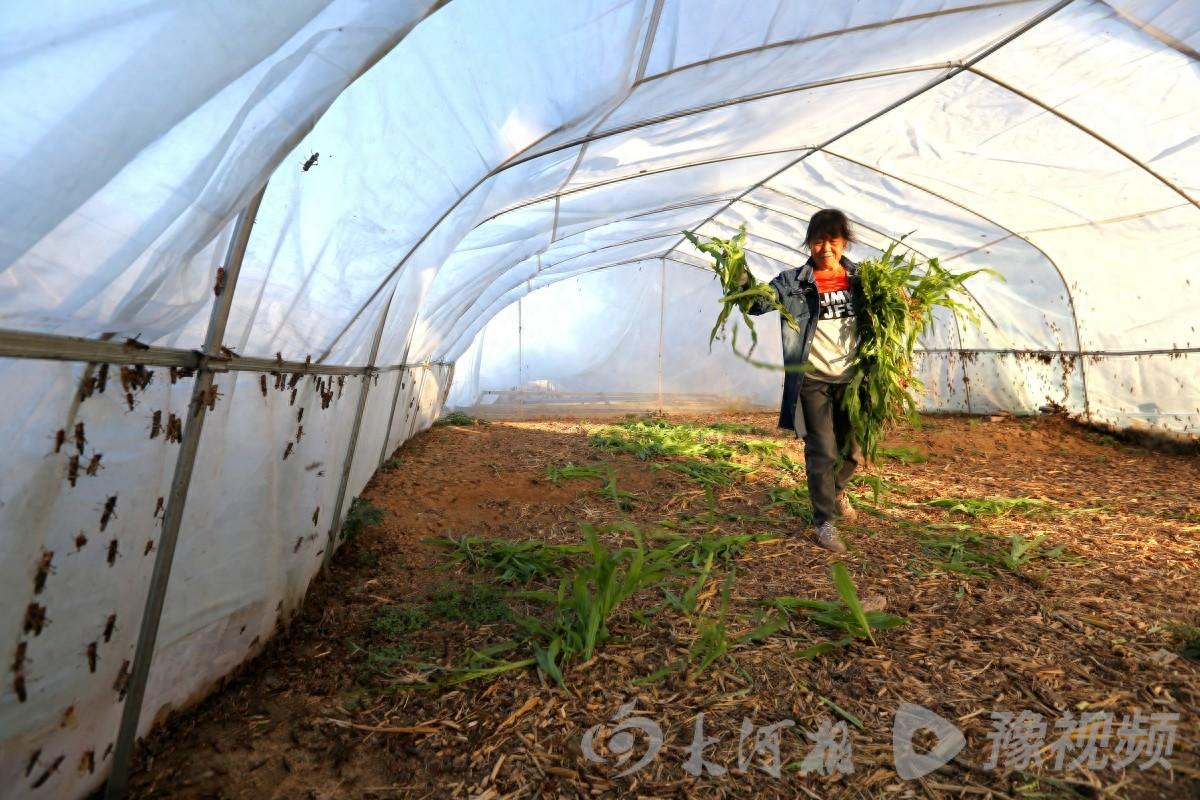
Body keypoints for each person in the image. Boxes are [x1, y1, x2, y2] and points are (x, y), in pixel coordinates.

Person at [746, 209, 865, 553]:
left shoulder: (862, 280)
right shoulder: (792, 282)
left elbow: (889, 316)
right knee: (822, 451)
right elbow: (755, 305)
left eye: (833, 239)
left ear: (844, 242)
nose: (825, 247)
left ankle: (837, 490)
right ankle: (824, 521)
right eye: (818, 239)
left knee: (855, 453)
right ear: (809, 242)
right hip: (812, 377)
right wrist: (736, 274)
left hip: (852, 380)